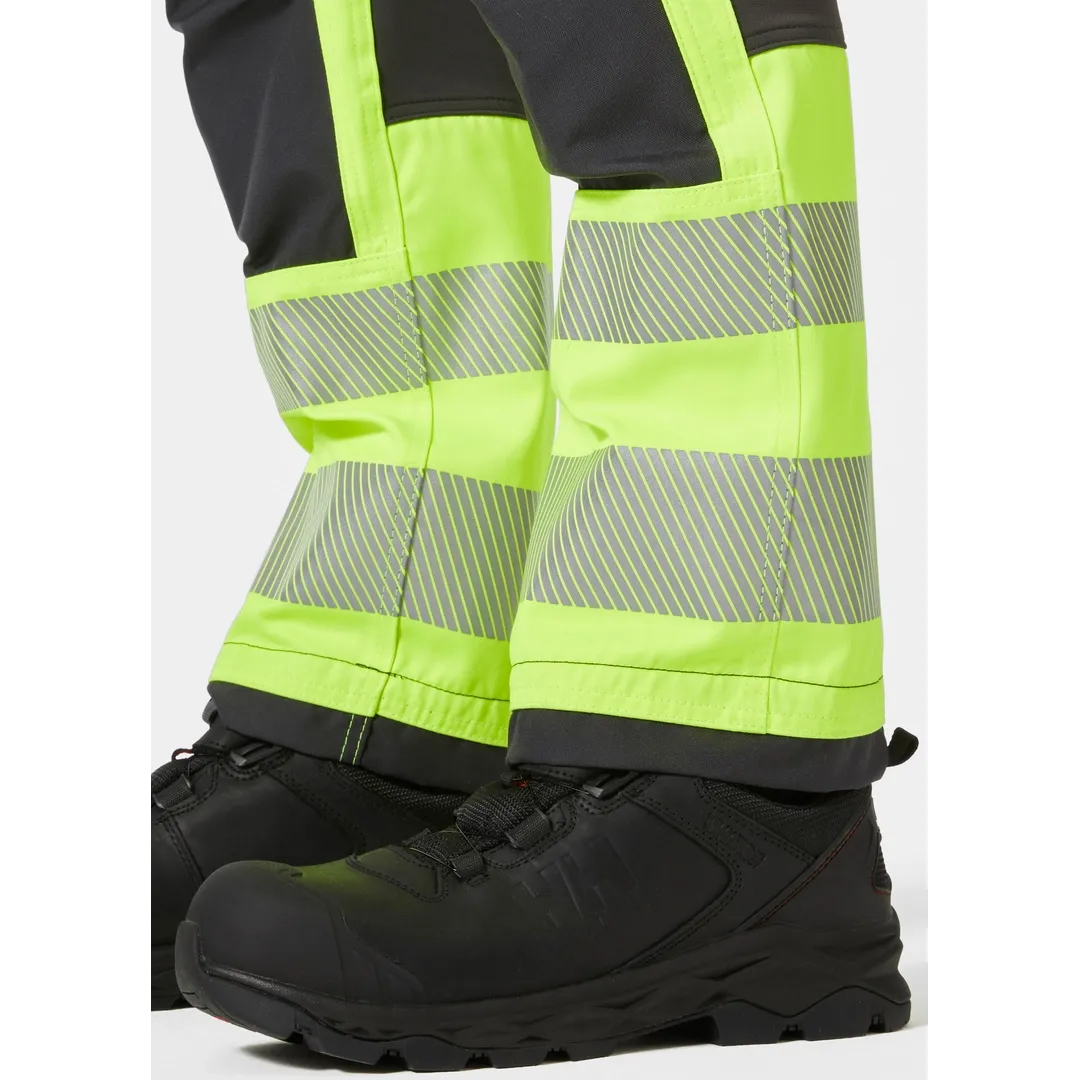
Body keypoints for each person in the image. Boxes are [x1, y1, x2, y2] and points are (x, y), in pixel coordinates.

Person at [146, 0, 917, 1065]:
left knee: (646, 38)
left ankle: (725, 742)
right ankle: (401, 703)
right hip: (393, 694)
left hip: (730, 750)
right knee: (334, 29)